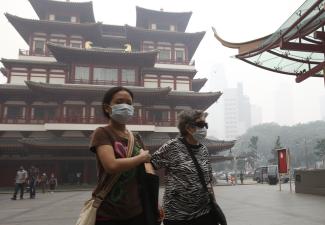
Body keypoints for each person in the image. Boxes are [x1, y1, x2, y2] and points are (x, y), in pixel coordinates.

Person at [89, 86, 152, 225]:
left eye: (129, 103)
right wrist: (141, 157)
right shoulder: (102, 133)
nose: (125, 106)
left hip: (137, 210)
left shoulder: (136, 138)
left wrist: (153, 203)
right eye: (119, 102)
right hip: (109, 212)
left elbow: (146, 171)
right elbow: (111, 165)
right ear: (107, 108)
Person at [151, 110, 222, 225]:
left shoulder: (203, 149)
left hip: (204, 213)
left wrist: (213, 202)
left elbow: (207, 181)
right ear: (188, 128)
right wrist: (152, 198)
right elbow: (150, 164)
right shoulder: (172, 146)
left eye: (205, 125)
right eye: (200, 124)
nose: (204, 128)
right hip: (176, 215)